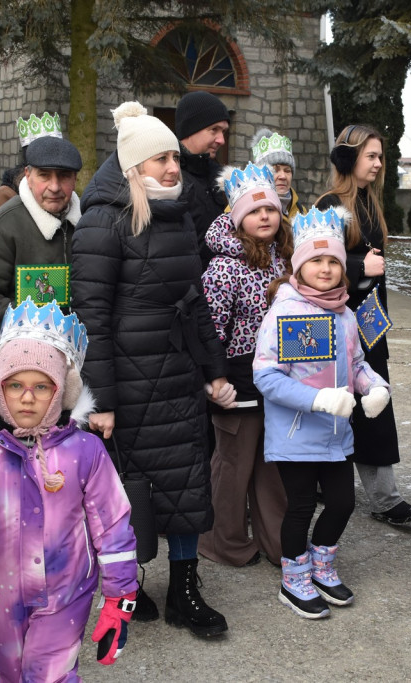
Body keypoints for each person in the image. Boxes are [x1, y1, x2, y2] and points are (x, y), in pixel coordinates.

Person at [70, 101, 234, 636]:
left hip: (178, 373)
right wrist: (101, 400)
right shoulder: (102, 220)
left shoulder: (178, 211)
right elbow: (90, 318)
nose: (171, 167)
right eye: (160, 159)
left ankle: (185, 590)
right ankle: (128, 585)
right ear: (133, 165)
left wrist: (213, 367)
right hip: (129, 379)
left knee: (187, 483)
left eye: (173, 158)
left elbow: (195, 298)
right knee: (126, 490)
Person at [0, 298, 138, 682]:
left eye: (41, 386)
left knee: (50, 676)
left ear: (62, 391)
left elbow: (113, 524)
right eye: (15, 385)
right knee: (12, 675)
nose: (27, 397)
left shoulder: (84, 451)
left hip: (66, 592)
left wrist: (120, 595)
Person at [253, 206, 391, 619]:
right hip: (296, 434)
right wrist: (318, 400)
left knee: (343, 502)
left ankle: (322, 564)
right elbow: (267, 376)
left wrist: (374, 387)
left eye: (333, 260)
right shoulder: (286, 311)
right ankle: (293, 578)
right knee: (299, 507)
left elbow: (357, 363)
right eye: (316, 260)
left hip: (336, 434)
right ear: (299, 266)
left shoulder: (345, 314)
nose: (326, 268)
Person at [314, 125, 411, 528]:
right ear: (348, 158)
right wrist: (360, 266)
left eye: (380, 157)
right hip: (338, 328)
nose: (377, 164)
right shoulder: (329, 205)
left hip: (369, 330)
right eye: (370, 156)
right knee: (337, 410)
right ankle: (329, 484)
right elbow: (313, 266)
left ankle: (384, 498)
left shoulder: (369, 203)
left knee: (376, 408)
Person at [198, 162, 292, 567]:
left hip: (281, 376)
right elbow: (210, 329)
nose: (265, 216)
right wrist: (214, 380)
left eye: (270, 208)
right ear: (238, 217)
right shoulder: (224, 266)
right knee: (233, 465)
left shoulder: (285, 259)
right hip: (238, 378)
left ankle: (278, 541)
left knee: (273, 466)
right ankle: (224, 540)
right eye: (254, 211)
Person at [0, 115, 82, 370]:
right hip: (15, 366)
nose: (54, 186)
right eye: (44, 175)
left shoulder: (88, 225)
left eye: (64, 176)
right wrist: (39, 323)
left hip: (74, 362)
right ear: (28, 175)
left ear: (75, 179)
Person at [0, 111, 67, 219]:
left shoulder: (68, 199)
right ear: (28, 172)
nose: (54, 187)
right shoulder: (4, 197)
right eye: (44, 174)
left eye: (62, 174)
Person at [176, 91, 230, 261]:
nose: (221, 140)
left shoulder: (221, 178)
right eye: (214, 130)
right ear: (190, 129)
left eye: (223, 131)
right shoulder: (169, 178)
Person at [250, 128, 306, 222]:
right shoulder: (244, 208)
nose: (283, 176)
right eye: (275, 170)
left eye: (287, 171)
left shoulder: (301, 211)